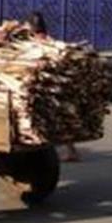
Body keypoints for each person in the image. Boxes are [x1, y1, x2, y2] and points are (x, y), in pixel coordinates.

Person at [26, 11, 81, 163]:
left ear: (31, 27)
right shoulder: (52, 42)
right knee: (61, 119)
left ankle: (44, 152)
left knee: (47, 120)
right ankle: (71, 150)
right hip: (57, 86)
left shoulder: (34, 45)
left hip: (43, 88)